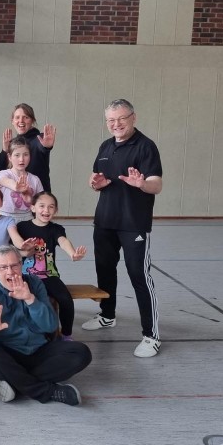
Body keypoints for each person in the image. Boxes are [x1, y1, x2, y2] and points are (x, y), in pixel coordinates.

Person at [0, 245, 92, 406]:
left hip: (36, 351)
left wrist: (31, 300)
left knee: (81, 353)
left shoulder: (34, 283)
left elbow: (50, 326)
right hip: (4, 356)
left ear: (21, 265)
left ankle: (15, 382)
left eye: (14, 265)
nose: (10, 271)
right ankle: (47, 391)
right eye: (3, 267)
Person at [83, 99, 163, 358]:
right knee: (104, 270)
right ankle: (107, 315)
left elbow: (156, 185)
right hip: (105, 221)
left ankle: (151, 336)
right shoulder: (106, 146)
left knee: (139, 275)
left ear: (133, 118)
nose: (116, 124)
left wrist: (141, 183)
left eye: (121, 118)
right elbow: (97, 179)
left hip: (133, 224)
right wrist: (95, 183)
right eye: (111, 120)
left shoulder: (146, 146)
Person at [18, 192, 86, 340]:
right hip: (26, 276)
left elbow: (63, 241)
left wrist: (72, 254)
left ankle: (66, 334)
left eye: (51, 207)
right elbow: (16, 250)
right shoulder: (22, 227)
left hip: (49, 275)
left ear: (56, 210)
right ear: (33, 208)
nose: (46, 210)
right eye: (42, 206)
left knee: (66, 300)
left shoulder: (56, 229)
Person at [0, 103, 55, 192]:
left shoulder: (39, 139)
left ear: (32, 120)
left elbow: (41, 147)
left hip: (39, 199)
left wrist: (46, 147)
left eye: (26, 117)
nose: (21, 121)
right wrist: (5, 151)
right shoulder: (13, 143)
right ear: (12, 121)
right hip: (16, 201)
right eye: (17, 117)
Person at [0, 135, 44, 223]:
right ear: (9, 157)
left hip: (27, 217)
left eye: (25, 155)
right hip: (4, 217)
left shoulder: (35, 179)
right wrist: (16, 187)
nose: (21, 159)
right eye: (17, 155)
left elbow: (41, 202)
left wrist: (30, 199)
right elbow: (4, 181)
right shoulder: (3, 173)